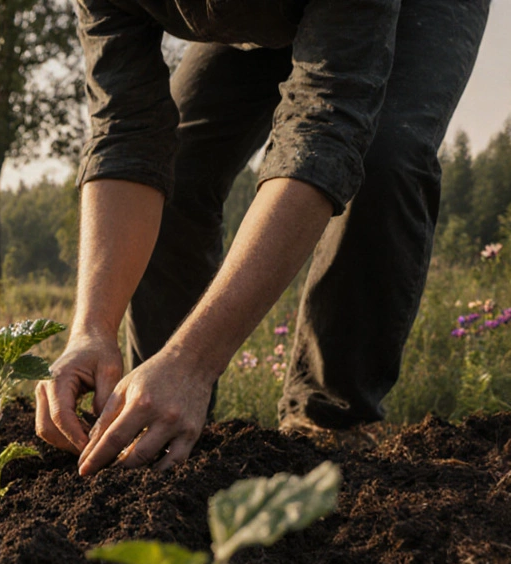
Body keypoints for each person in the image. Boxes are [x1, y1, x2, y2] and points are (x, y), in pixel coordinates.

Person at [35, 0, 491, 475]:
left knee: (383, 155)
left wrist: (195, 360)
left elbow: (325, 129)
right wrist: (92, 328)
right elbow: (126, 131)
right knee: (181, 167)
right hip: (267, 15)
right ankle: (156, 411)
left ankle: (330, 424)